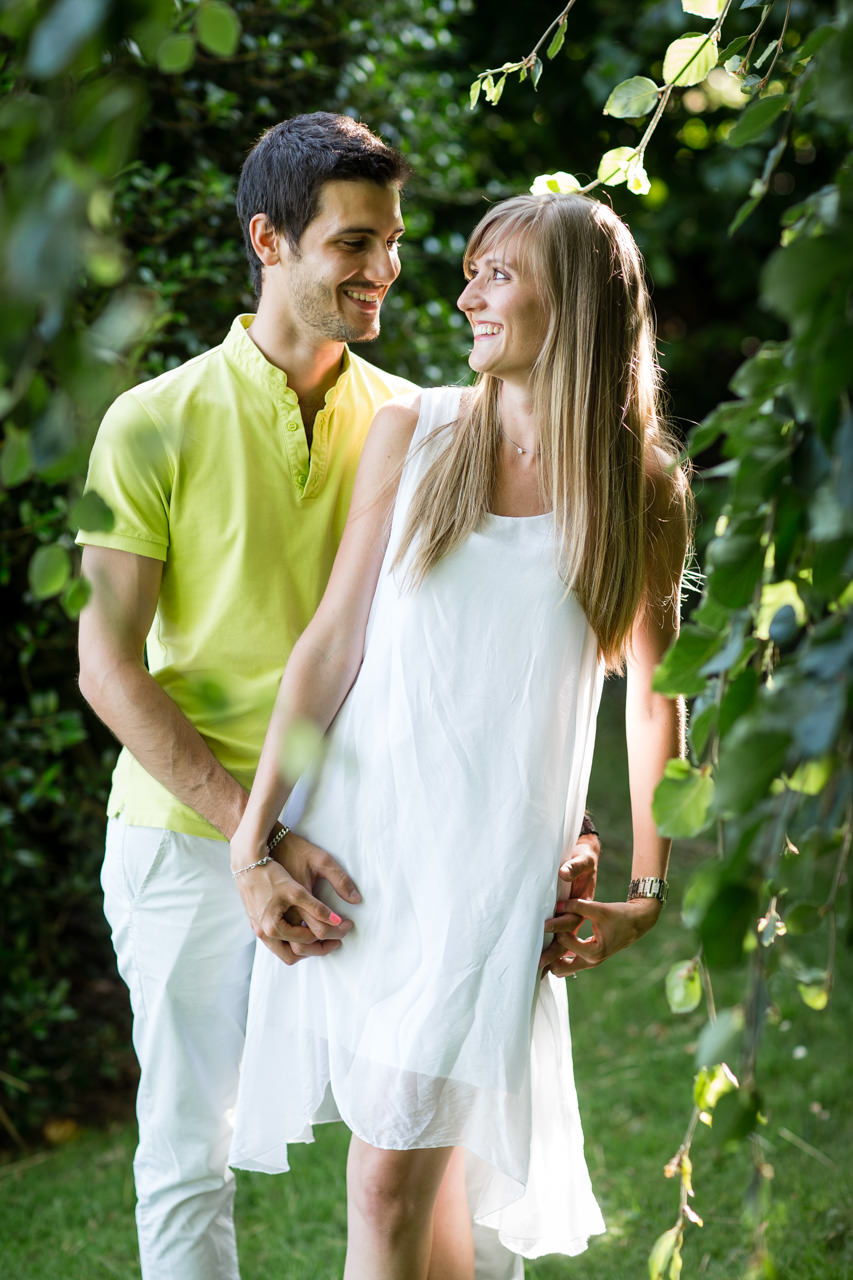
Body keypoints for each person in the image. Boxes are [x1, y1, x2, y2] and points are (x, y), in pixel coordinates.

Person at [76, 113, 597, 1280]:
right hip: (185, 836)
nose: (387, 271)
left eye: (396, 242)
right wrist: (250, 840)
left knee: (433, 1134)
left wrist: (564, 824)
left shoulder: (427, 420)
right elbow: (106, 665)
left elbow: (514, 648)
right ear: (269, 240)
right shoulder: (149, 420)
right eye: (353, 244)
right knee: (187, 1149)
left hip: (388, 840)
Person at [227, 191, 689, 1279]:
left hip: (493, 885)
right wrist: (252, 842)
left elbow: (651, 694)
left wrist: (646, 890)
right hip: (370, 865)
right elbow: (327, 648)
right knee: (416, 1187)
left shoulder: (639, 486)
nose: (464, 293)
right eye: (471, 270)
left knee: (397, 1183)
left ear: (569, 302)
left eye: (497, 274)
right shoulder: (416, 431)